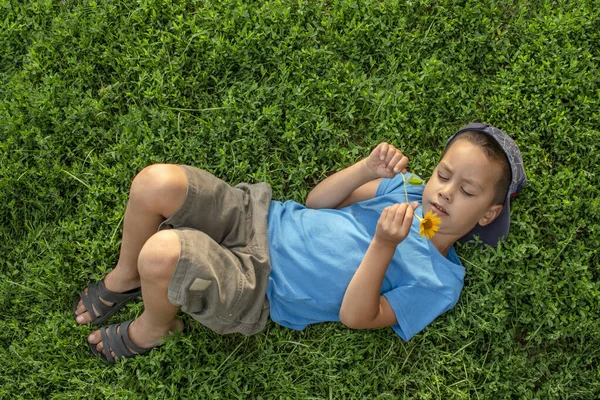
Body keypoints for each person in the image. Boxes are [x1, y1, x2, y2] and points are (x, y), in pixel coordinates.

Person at [74, 122, 526, 363]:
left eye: (467, 191)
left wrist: (384, 246)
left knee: (164, 252)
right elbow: (318, 202)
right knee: (155, 182)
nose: (444, 191)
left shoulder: (439, 282)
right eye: (443, 175)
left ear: (488, 214)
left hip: (262, 287)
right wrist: (366, 170)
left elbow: (357, 316)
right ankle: (125, 275)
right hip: (260, 217)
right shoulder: (404, 188)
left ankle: (154, 327)